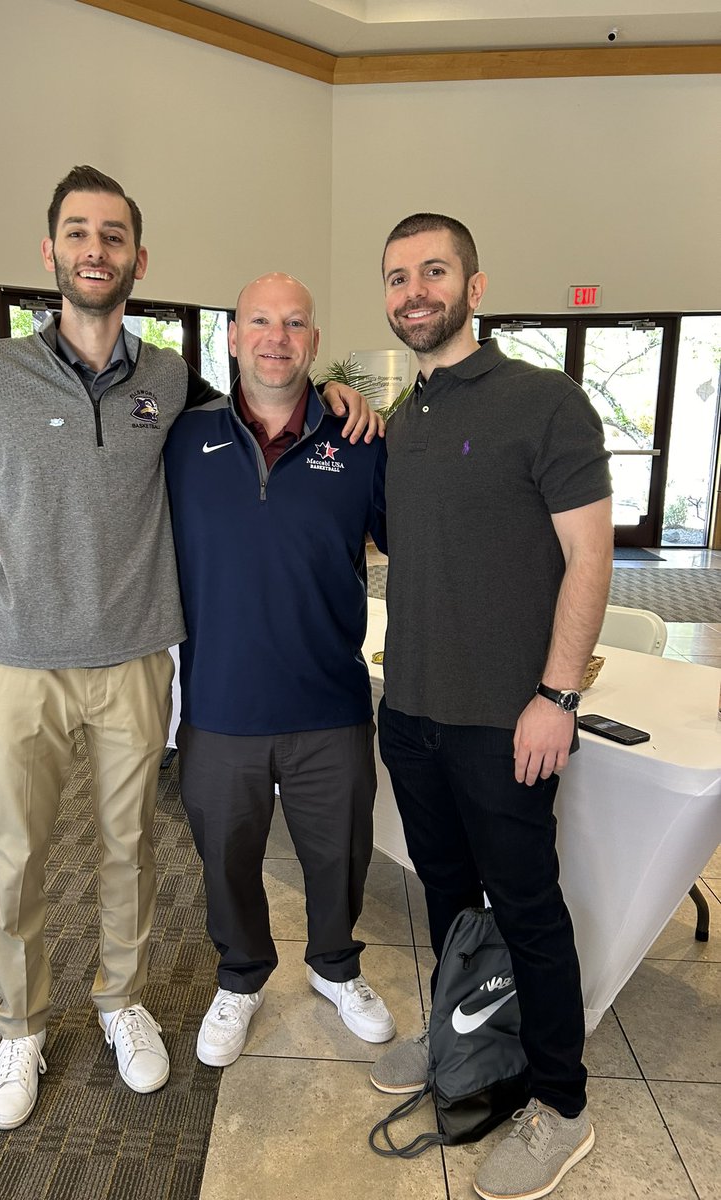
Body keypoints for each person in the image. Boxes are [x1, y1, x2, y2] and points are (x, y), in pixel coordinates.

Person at [0, 166, 379, 1131]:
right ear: (51, 252)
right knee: (18, 856)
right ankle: (21, 1025)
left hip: (136, 657)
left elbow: (268, 396)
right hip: (17, 657)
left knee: (130, 847)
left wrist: (339, 388)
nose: (97, 250)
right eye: (79, 234)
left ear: (139, 258)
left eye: (115, 236)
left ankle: (122, 1001)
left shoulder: (173, 383)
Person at [366, 213, 613, 1200]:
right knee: (446, 899)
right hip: (414, 713)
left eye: (434, 271)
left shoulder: (546, 404)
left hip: (507, 723)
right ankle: (462, 1024)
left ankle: (561, 1104)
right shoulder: (400, 420)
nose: (414, 290)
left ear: (475, 286)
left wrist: (558, 694)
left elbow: (590, 559)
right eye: (397, 277)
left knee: (530, 913)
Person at [163, 273, 392, 1066]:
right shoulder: (181, 442)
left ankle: (335, 966)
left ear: (315, 342)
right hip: (220, 706)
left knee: (339, 854)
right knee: (225, 858)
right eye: (260, 320)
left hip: (329, 701)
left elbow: (420, 541)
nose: (277, 337)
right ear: (232, 336)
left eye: (295, 323)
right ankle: (241, 975)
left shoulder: (358, 441)